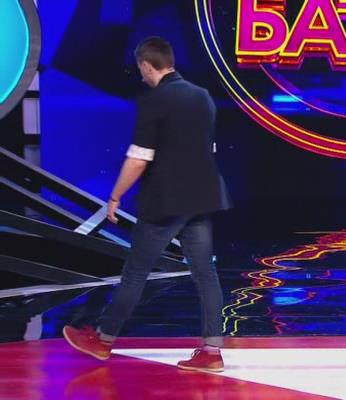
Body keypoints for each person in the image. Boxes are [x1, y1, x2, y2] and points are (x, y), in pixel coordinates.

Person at [63, 37, 232, 372]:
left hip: (165, 201)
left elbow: (139, 158)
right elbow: (206, 149)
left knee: (135, 273)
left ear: (145, 65)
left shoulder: (154, 100)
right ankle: (212, 351)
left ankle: (103, 339)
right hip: (202, 198)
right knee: (205, 273)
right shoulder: (203, 97)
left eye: (139, 68)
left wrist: (115, 196)